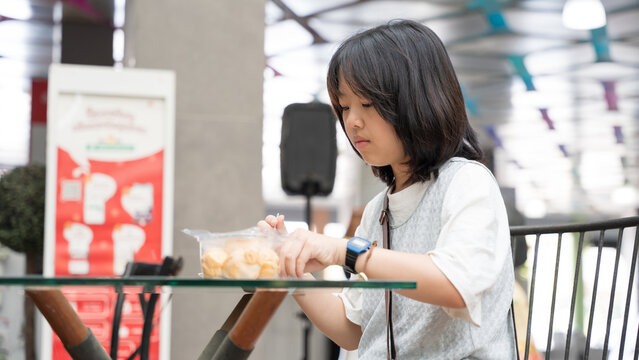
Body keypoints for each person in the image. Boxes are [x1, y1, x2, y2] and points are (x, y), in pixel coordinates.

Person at [259, 19, 516, 359]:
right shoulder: (377, 209)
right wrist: (291, 273)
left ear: (419, 100)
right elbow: (352, 332)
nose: (352, 121)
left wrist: (344, 251)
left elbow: (455, 284)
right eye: (345, 106)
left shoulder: (467, 182)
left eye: (367, 104)